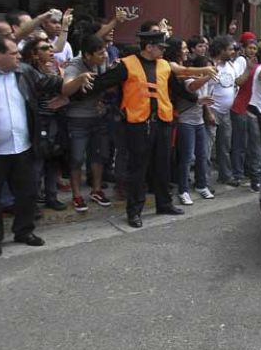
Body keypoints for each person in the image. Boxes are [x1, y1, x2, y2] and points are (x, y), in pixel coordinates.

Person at [74, 29, 192, 228]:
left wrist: (197, 99)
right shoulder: (127, 65)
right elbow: (103, 82)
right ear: (149, 47)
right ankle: (134, 211)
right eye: (160, 47)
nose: (164, 51)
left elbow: (177, 89)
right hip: (137, 125)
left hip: (162, 122)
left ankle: (164, 203)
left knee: (163, 165)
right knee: (138, 169)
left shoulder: (164, 65)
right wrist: (73, 93)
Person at [0, 34, 95, 257]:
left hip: (24, 147)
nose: (19, 56)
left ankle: (24, 231)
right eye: (13, 53)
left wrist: (76, 80)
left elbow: (53, 83)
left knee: (27, 193)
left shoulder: (25, 73)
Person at [63, 35, 113, 212]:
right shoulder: (74, 65)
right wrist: (80, 78)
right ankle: (77, 195)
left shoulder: (102, 63)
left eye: (105, 51)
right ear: (87, 55)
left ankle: (96, 190)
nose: (104, 55)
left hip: (98, 117)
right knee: (77, 158)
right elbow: (65, 89)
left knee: (98, 156)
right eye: (100, 53)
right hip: (77, 119)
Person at [20, 38, 68, 211]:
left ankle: (51, 196)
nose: (50, 51)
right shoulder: (28, 72)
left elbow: (65, 90)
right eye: (44, 48)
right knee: (37, 165)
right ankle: (32, 203)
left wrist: (64, 97)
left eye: (50, 47)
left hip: (56, 120)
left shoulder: (56, 68)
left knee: (54, 159)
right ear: (34, 53)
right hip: (38, 122)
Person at [170, 43, 216, 206]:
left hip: (199, 122)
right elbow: (194, 86)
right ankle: (183, 190)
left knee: (202, 156)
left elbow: (205, 99)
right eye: (208, 68)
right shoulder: (189, 78)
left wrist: (208, 112)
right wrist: (207, 76)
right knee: (187, 158)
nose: (212, 70)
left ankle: (201, 185)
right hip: (185, 122)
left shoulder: (204, 79)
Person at [206, 36, 240, 187]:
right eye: (230, 49)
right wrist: (208, 112)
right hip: (212, 110)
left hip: (226, 112)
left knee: (225, 146)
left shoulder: (231, 66)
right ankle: (204, 180)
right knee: (207, 148)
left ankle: (225, 175)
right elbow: (204, 90)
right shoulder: (211, 66)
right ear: (221, 50)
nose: (233, 52)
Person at [230, 38, 261, 193]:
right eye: (250, 48)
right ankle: (237, 174)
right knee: (239, 143)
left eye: (255, 49)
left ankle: (248, 172)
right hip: (240, 107)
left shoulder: (259, 66)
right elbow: (238, 82)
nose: (252, 51)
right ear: (243, 49)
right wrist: (248, 70)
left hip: (254, 109)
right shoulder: (242, 63)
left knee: (252, 144)